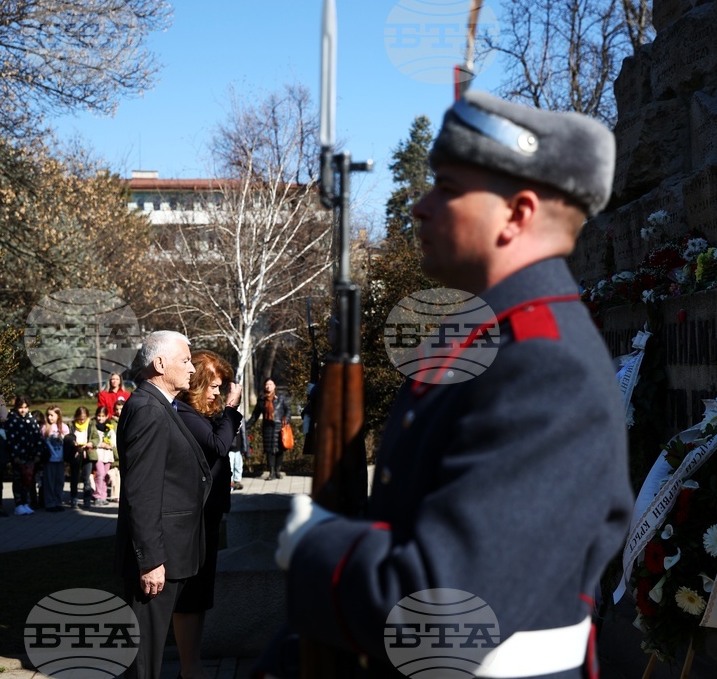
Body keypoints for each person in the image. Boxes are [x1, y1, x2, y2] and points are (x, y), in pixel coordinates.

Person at [265, 91, 633, 678]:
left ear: (517, 214)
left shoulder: (543, 364)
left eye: (447, 187)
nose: (420, 206)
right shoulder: (481, 338)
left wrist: (318, 549)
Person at [115, 330, 212, 679]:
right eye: (185, 360)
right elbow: (142, 491)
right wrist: (151, 560)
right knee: (143, 656)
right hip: (158, 558)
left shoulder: (158, 405)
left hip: (171, 551)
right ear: (159, 364)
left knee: (148, 652)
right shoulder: (148, 410)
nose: (192, 368)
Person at [173, 350, 243, 679]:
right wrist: (231, 408)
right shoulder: (184, 412)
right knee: (190, 597)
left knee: (200, 596)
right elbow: (218, 446)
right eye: (213, 386)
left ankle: (192, 666)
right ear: (198, 384)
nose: (217, 393)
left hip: (208, 514)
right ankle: (189, 669)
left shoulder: (200, 414)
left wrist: (225, 412)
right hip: (193, 517)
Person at [4, 396, 45, 516]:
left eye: (25, 407)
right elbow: (11, 439)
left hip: (30, 455)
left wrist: (38, 453)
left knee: (28, 480)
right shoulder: (12, 420)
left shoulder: (31, 420)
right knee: (18, 479)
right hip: (18, 456)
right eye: (20, 407)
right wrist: (15, 455)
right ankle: (18, 504)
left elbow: (38, 437)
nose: (23, 410)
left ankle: (26, 502)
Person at [246, 378, 289, 480]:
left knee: (280, 450)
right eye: (267, 384)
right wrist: (246, 426)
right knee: (269, 451)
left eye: (270, 384)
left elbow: (288, 410)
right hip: (267, 428)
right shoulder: (262, 399)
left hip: (280, 427)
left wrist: (286, 419)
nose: (268, 386)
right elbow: (255, 415)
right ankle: (272, 472)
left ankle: (278, 471)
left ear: (274, 386)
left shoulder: (281, 397)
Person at [40, 406, 69, 512]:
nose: (49, 417)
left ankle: (58, 502)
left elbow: (67, 442)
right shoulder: (45, 428)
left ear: (58, 416)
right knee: (49, 482)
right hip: (50, 460)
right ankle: (50, 503)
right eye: (48, 415)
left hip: (60, 459)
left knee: (59, 482)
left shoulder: (64, 427)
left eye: (52, 415)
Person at [69, 406, 96, 509]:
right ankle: (74, 498)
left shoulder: (91, 425)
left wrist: (91, 443)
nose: (81, 421)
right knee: (74, 477)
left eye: (83, 419)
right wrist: (73, 444)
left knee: (86, 478)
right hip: (75, 454)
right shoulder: (72, 425)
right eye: (79, 419)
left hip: (87, 454)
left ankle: (87, 499)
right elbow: (68, 438)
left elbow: (96, 438)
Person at [92, 405, 117, 504]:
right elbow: (93, 439)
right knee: (100, 474)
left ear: (106, 416)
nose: (100, 418)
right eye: (99, 416)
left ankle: (103, 496)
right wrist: (101, 444)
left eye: (103, 416)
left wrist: (110, 444)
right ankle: (97, 495)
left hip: (107, 455)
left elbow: (113, 440)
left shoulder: (109, 427)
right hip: (98, 454)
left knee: (106, 476)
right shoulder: (93, 426)